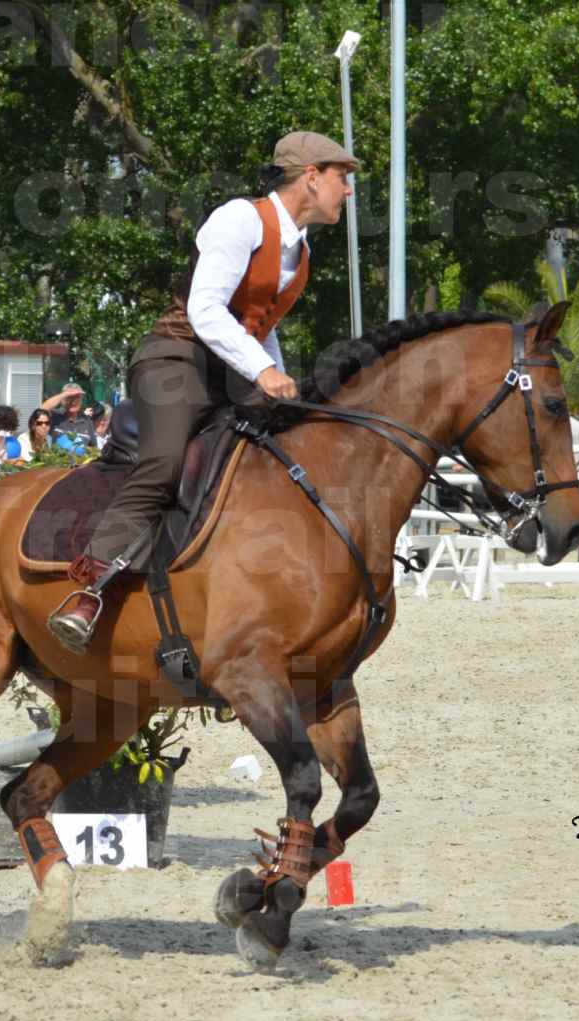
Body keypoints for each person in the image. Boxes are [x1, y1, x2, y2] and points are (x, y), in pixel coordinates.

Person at [48, 129, 358, 653]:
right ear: (311, 177)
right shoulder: (240, 219)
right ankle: (91, 588)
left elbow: (262, 323)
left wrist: (279, 383)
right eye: (342, 177)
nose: (348, 191)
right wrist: (263, 373)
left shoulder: (299, 250)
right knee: (166, 461)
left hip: (233, 370)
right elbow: (207, 310)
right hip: (175, 357)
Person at [45, 383, 96, 448]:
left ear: (81, 400)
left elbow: (93, 449)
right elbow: (42, 410)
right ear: (62, 400)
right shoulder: (55, 416)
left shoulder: (87, 421)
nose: (73, 402)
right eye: (69, 398)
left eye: (77, 397)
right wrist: (65, 394)